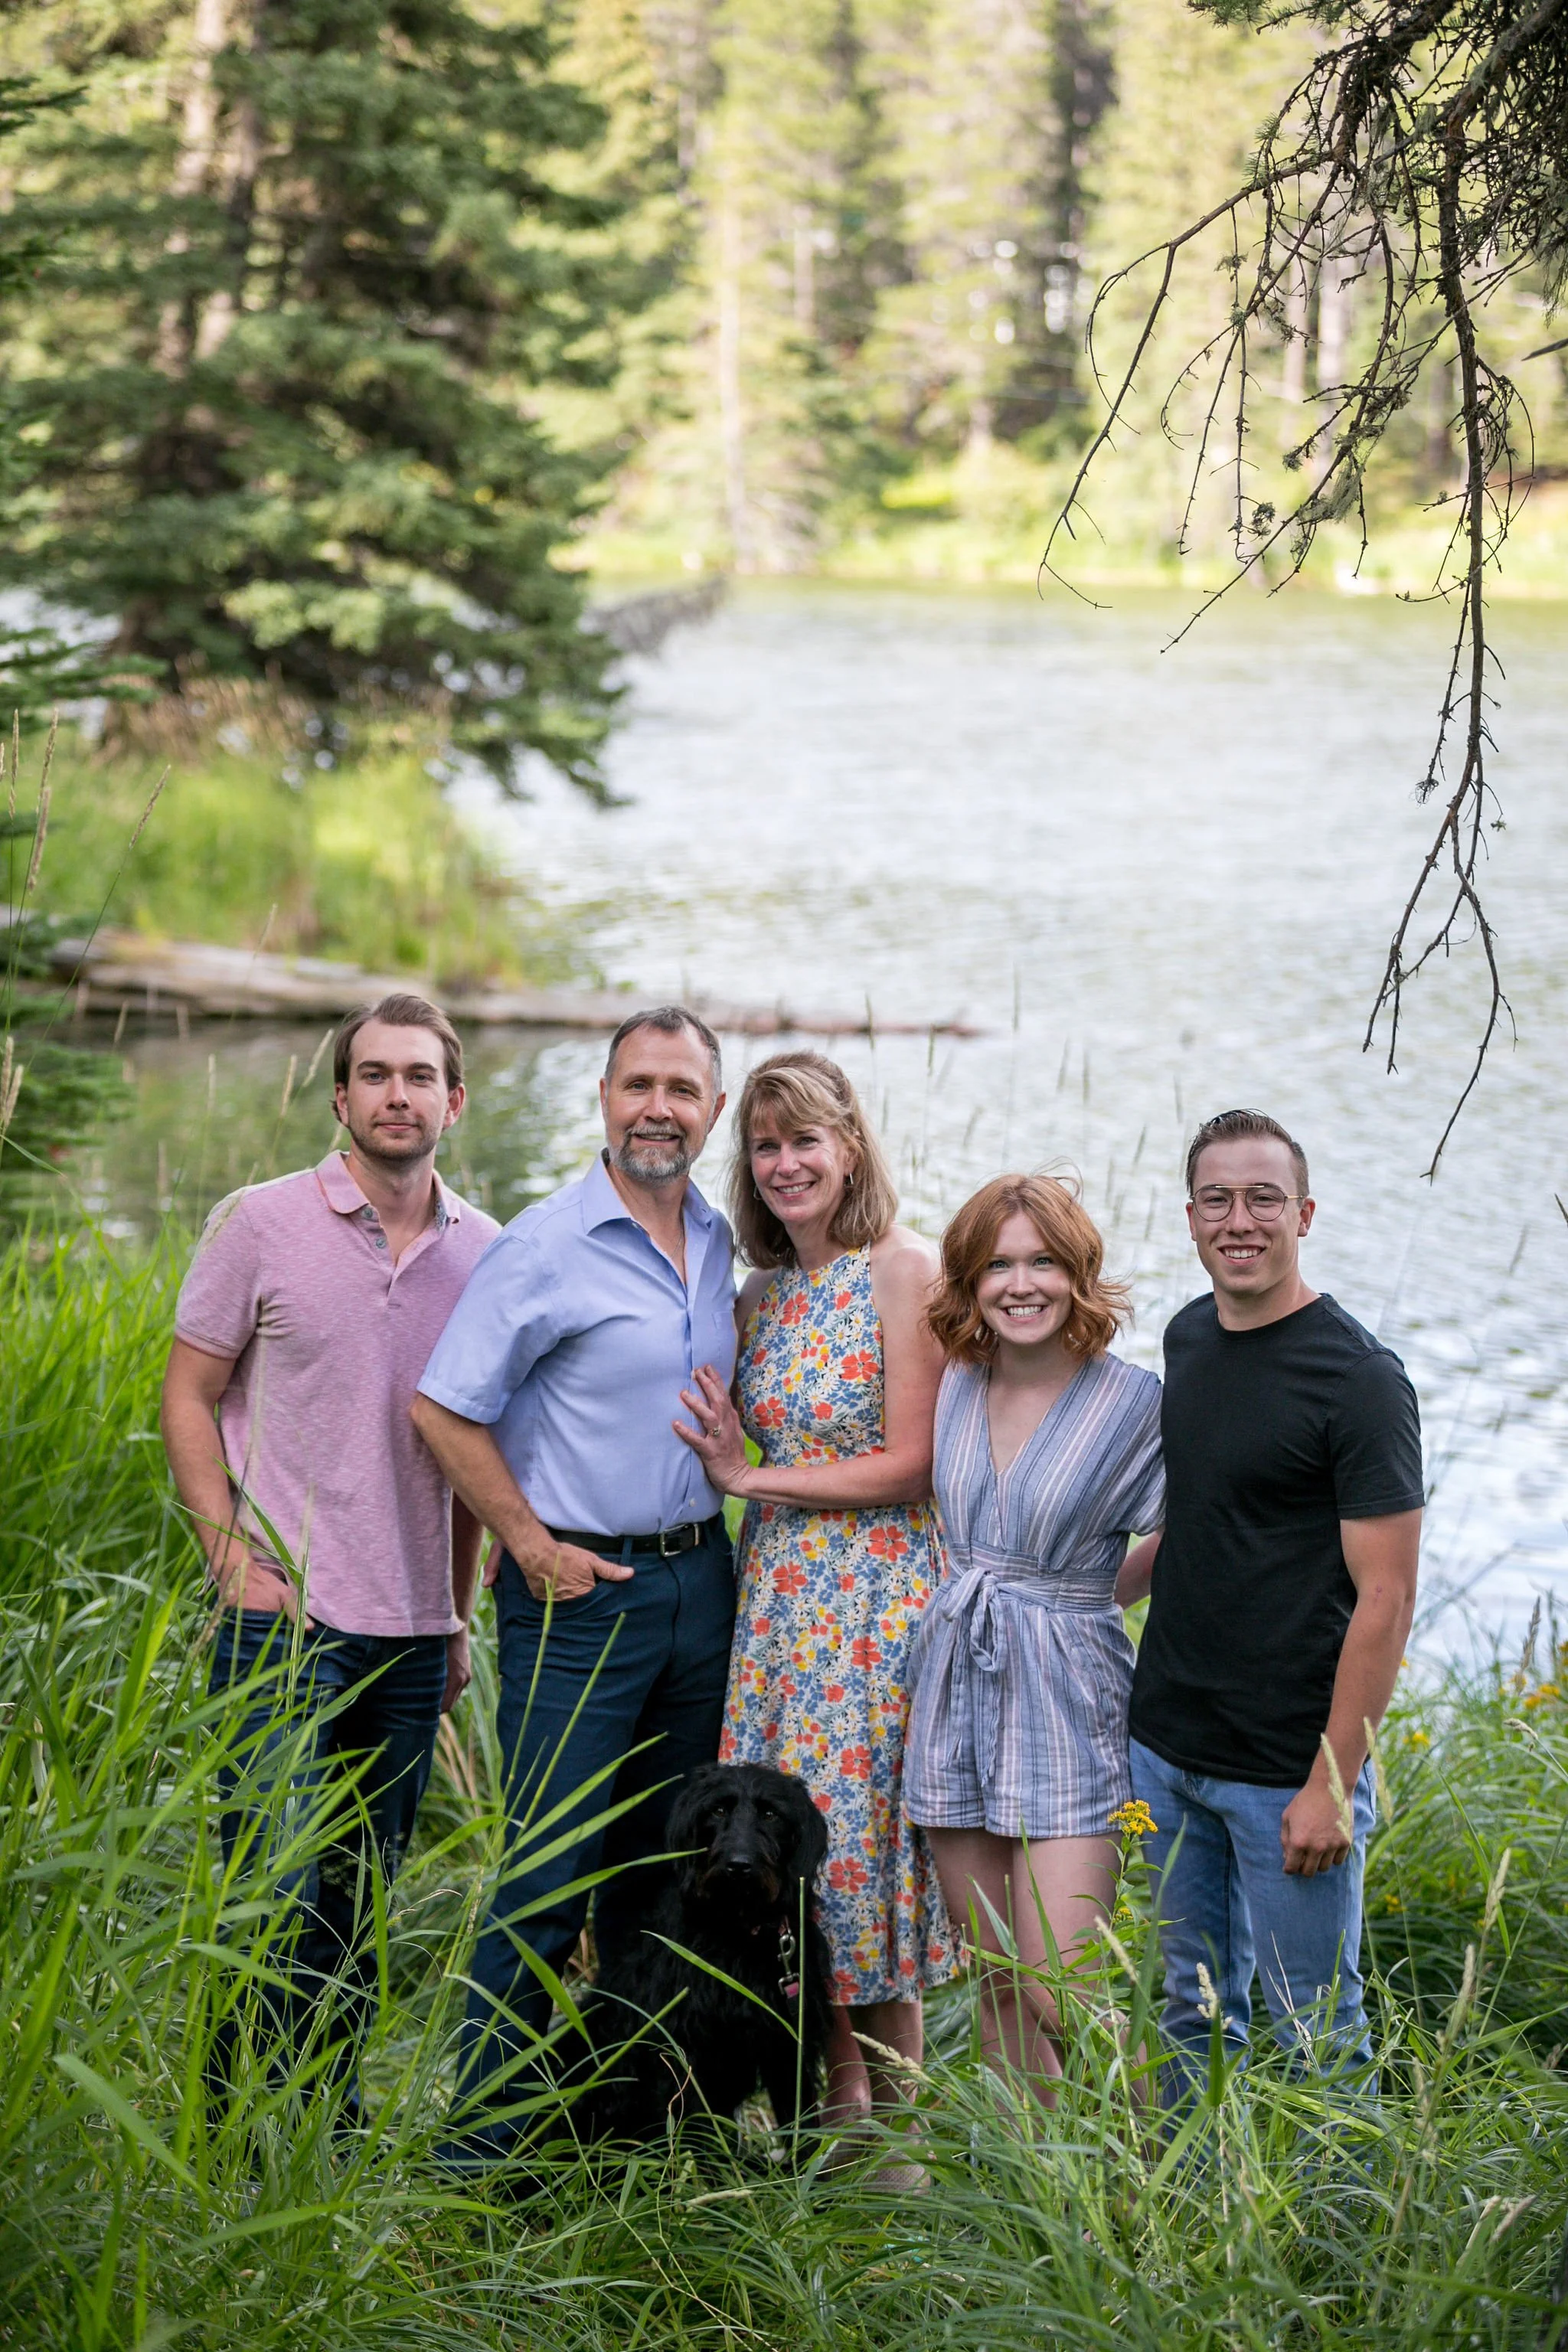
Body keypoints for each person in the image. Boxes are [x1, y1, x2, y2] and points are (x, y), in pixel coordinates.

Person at [161, 992, 498, 2109]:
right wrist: (225, 1556)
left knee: (362, 1892)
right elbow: (189, 1392)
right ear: (343, 1096)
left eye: (418, 1077)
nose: (396, 1095)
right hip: (280, 1621)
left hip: (408, 1631)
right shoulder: (258, 1222)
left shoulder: (484, 1255)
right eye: (374, 1074)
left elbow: (467, 1456)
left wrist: (455, 1617)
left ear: (454, 1100)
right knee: (270, 1882)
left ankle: (325, 2114)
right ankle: (230, 2118)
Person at [412, 1005, 737, 2159]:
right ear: (603, 1097)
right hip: (578, 1592)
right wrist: (530, 1542)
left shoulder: (719, 1238)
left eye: (684, 1090)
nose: (660, 1107)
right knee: (550, 1874)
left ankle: (624, 2127)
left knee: (664, 1872)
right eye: (639, 1084)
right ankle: (477, 2149)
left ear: (714, 1110)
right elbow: (444, 1409)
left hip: (704, 1586)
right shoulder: (546, 1244)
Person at [675, 1049, 954, 2145]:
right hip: (778, 1613)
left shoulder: (902, 1271)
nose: (787, 1163)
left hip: (874, 1605)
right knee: (788, 1860)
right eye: (767, 1145)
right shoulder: (760, 1292)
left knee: (864, 1858)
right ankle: (829, 2108)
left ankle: (898, 2132)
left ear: (850, 1149)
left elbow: (914, 1463)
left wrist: (753, 1476)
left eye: (807, 1141)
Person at [1122, 1108, 1423, 2091]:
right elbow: (1194, 1520)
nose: (1237, 1219)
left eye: (1261, 1198)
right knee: (1188, 2008)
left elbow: (1385, 1598)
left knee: (1317, 2034)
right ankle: (1190, 2225)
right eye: (1217, 1198)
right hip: (1166, 1753)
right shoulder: (1188, 1336)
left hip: (1285, 1769)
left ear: (1303, 1213)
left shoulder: (1359, 1380)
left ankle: (1338, 2244)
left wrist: (1330, 1786)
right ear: (1190, 1215)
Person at [903, 1174, 1165, 2099]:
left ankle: (1157, 2180)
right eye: (997, 1265)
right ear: (969, 1283)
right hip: (954, 1683)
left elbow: (1183, 1530)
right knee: (1001, 1979)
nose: (1021, 1284)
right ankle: (1045, 2205)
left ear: (1077, 1272)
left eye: (1042, 1262)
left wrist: (1088, 1600)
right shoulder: (957, 1383)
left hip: (1067, 1693)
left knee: (1067, 1988)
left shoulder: (1133, 1402)